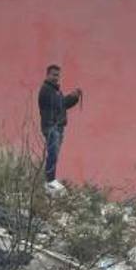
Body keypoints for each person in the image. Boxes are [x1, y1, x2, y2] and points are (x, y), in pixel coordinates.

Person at [37, 64, 82, 192]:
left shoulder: (56, 91)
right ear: (47, 75)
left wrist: (73, 98)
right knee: (52, 154)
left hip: (58, 127)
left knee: (54, 154)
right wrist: (52, 125)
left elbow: (62, 105)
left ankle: (50, 180)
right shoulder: (46, 90)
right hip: (52, 127)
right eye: (54, 75)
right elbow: (56, 106)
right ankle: (49, 181)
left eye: (58, 75)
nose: (56, 77)